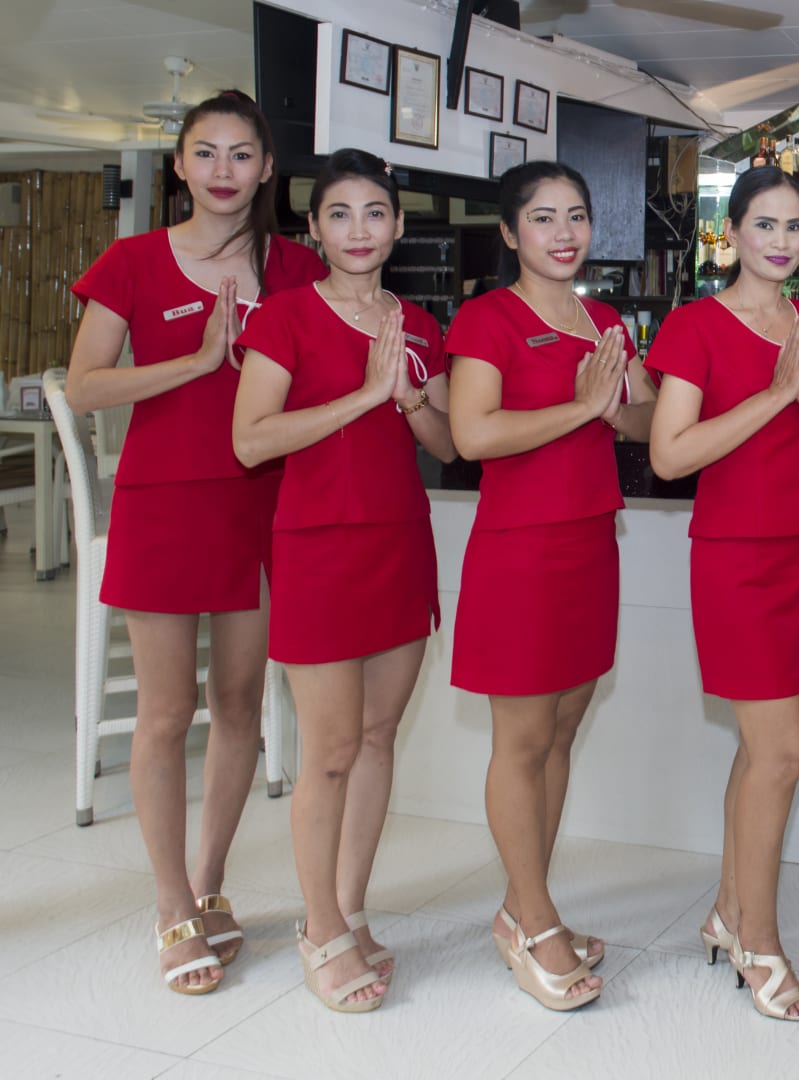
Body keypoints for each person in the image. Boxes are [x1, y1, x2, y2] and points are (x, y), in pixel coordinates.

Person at [65, 90, 325, 995]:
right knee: (167, 712)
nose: (223, 171)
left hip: (265, 504)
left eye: (242, 154)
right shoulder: (133, 261)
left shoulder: (296, 267)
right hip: (166, 503)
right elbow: (85, 385)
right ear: (179, 164)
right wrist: (196, 362)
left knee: (242, 701)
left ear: (267, 168)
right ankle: (170, 903)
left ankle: (211, 885)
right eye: (206, 153)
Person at [232, 147, 457, 1013]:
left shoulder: (420, 323)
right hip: (319, 549)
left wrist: (408, 398)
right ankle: (319, 927)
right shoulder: (285, 316)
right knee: (327, 753)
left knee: (376, 739)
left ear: (397, 226)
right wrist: (363, 396)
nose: (358, 230)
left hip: (400, 543)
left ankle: (351, 911)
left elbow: (446, 445)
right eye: (339, 214)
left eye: (374, 213)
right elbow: (252, 440)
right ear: (314, 229)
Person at [645, 164, 799, 1022]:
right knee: (783, 751)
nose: (781, 241)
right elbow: (670, 454)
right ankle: (760, 946)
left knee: (758, 749)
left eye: (795, 226)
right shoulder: (696, 324)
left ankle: (729, 912)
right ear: (731, 233)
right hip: (733, 557)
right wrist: (773, 397)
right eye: (764, 224)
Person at [445, 160, 655, 1012]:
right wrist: (581, 407)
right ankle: (534, 925)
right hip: (520, 551)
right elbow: (472, 434)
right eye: (543, 218)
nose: (564, 234)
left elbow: (643, 417)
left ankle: (524, 905)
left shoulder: (605, 321)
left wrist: (617, 406)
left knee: (564, 730)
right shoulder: (486, 318)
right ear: (510, 232)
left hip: (589, 541)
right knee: (522, 741)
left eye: (576, 216)